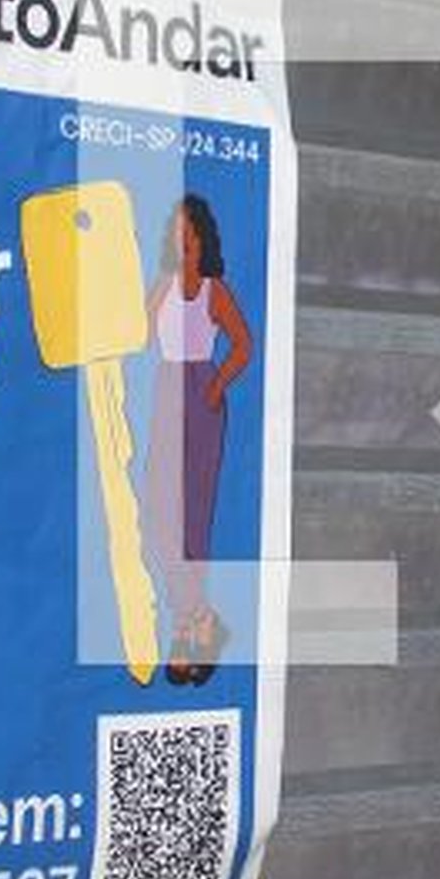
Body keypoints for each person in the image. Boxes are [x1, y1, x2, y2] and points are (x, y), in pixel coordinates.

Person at [142, 194, 253, 684]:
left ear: (202, 234)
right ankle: (202, 618)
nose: (180, 234)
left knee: (192, 521)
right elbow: (139, 335)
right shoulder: (163, 285)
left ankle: (189, 627)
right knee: (156, 514)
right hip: (167, 391)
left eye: (188, 227)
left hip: (201, 397)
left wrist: (215, 384)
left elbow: (243, 345)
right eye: (175, 226)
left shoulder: (214, 290)